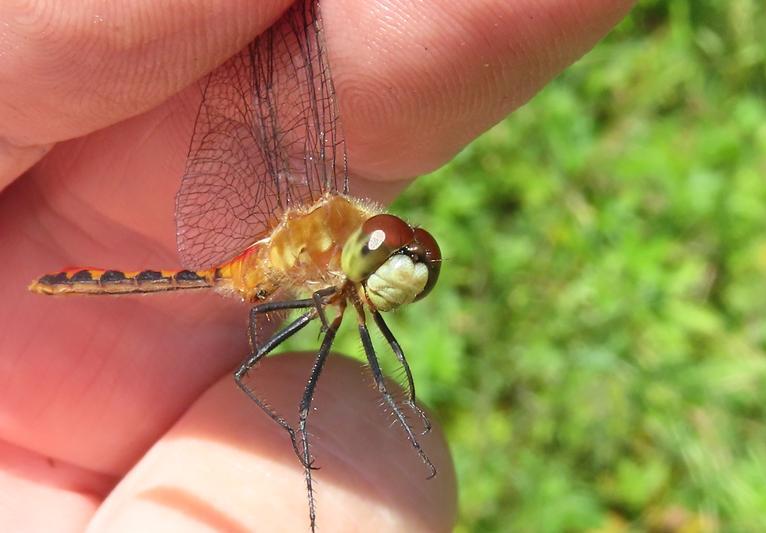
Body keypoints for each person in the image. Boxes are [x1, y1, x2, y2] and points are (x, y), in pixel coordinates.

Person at [0, 1, 633, 530]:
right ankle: (304, 450)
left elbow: (378, 351)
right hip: (232, 269)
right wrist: (300, 439)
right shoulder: (324, 240)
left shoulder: (350, 265)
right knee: (296, 391)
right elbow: (260, 368)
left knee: (364, 370)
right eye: (394, 255)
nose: (404, 271)